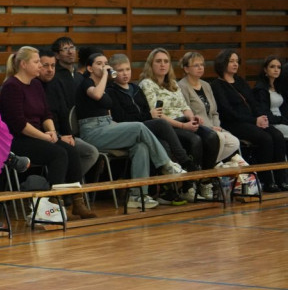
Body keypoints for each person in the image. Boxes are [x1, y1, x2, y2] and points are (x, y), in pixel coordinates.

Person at [74, 51, 185, 210]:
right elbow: (97, 95)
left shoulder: (105, 86)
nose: (104, 66)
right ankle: (165, 164)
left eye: (106, 63)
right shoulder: (86, 82)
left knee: (141, 146)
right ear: (90, 68)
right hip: (92, 132)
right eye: (99, 63)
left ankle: (137, 195)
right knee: (139, 127)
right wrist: (106, 75)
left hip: (107, 126)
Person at [0, 46, 95, 219]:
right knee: (58, 154)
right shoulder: (11, 86)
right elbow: (19, 124)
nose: (40, 67)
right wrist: (45, 136)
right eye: (36, 62)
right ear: (23, 64)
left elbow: (46, 113)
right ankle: (53, 204)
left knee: (70, 150)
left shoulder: (36, 84)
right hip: (18, 140)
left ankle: (77, 201)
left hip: (38, 136)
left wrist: (52, 132)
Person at [106, 53, 196, 203]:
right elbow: (121, 119)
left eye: (127, 69)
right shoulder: (111, 91)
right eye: (120, 70)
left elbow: (145, 112)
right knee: (161, 123)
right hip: (128, 129)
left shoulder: (135, 88)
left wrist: (148, 115)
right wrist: (148, 115)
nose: (125, 73)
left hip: (145, 126)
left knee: (165, 142)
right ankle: (184, 161)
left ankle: (168, 190)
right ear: (112, 73)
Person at [210, 49, 288, 193]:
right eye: (231, 61)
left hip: (252, 120)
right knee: (265, 138)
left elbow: (254, 103)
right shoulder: (216, 85)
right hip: (235, 123)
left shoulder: (240, 81)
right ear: (222, 63)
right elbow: (228, 111)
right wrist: (254, 120)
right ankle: (266, 180)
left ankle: (281, 179)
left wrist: (262, 117)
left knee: (277, 135)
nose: (235, 64)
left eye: (236, 61)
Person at [139, 47, 221, 176]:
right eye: (158, 61)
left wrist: (192, 118)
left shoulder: (173, 83)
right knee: (195, 140)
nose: (162, 64)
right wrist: (183, 126)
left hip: (184, 121)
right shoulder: (147, 84)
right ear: (151, 64)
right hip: (169, 126)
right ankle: (190, 182)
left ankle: (205, 179)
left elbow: (184, 107)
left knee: (211, 136)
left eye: (166, 61)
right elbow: (158, 115)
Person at [37, 49, 99, 178]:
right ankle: (64, 188)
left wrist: (68, 135)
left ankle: (67, 184)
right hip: (44, 136)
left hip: (60, 135)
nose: (50, 70)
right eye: (45, 65)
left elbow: (64, 112)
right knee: (66, 152)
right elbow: (38, 119)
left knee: (91, 152)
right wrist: (59, 137)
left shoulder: (56, 83)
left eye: (53, 66)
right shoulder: (34, 86)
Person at [177, 51, 242, 170]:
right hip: (198, 127)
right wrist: (210, 128)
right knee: (220, 138)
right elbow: (187, 112)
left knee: (234, 142)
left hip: (213, 127)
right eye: (196, 65)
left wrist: (216, 126)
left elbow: (214, 112)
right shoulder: (182, 86)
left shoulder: (206, 85)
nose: (200, 68)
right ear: (186, 69)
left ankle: (208, 165)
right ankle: (210, 172)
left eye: (202, 65)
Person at [253, 55, 288, 138]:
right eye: (272, 67)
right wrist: (283, 120)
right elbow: (264, 113)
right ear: (265, 69)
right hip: (271, 123)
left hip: (282, 120)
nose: (276, 70)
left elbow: (284, 108)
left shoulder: (278, 87)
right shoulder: (260, 89)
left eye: (279, 67)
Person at [50, 36, 79, 103]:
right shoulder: (54, 76)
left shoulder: (78, 75)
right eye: (65, 49)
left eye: (72, 48)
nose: (70, 52)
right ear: (57, 55)